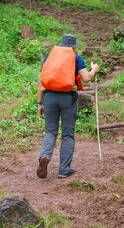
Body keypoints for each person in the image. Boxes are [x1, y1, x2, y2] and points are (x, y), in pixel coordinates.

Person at [36, 34, 99, 179]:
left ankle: (45, 156)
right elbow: (86, 78)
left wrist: (40, 103)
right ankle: (64, 170)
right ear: (73, 46)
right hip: (67, 98)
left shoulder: (50, 57)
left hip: (49, 97)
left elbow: (40, 82)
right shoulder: (76, 57)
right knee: (67, 134)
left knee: (50, 131)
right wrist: (94, 69)